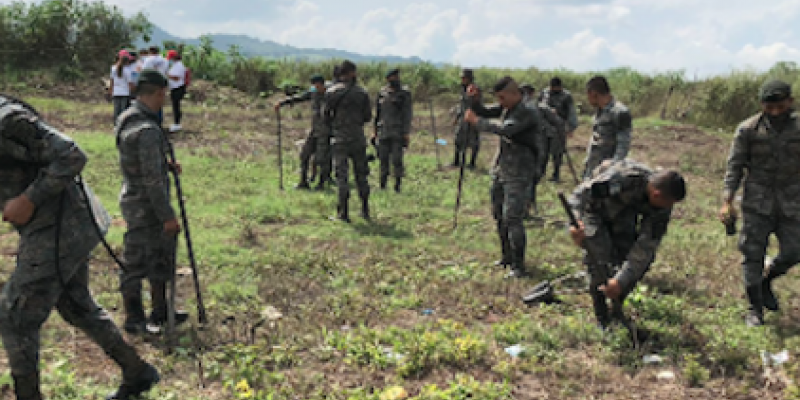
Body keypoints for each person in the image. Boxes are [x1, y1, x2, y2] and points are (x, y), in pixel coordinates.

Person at [0, 94, 159, 400]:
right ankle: (138, 373)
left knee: (15, 314)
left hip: (62, 225)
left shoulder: (7, 120)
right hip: (56, 226)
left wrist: (28, 199)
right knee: (76, 305)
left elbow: (72, 155)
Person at [568, 159, 686, 329]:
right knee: (599, 259)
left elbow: (645, 249)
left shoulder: (662, 206)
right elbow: (580, 196)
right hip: (595, 211)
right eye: (668, 203)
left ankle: (616, 309)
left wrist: (620, 281)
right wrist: (574, 225)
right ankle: (601, 316)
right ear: (656, 195)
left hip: (624, 214)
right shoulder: (623, 178)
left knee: (626, 258)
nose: (669, 208)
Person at [720, 80, 800, 327]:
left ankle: (767, 280)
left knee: (795, 251)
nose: (775, 112)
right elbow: (735, 166)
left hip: (793, 201)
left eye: (779, 106)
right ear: (762, 105)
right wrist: (727, 201)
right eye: (769, 107)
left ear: (790, 101)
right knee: (752, 253)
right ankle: (754, 308)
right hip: (757, 202)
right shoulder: (748, 130)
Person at [115, 69, 189, 335]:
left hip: (137, 200)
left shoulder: (127, 117)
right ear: (158, 93)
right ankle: (135, 318)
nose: (165, 100)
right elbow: (152, 181)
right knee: (136, 263)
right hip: (146, 207)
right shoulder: (146, 129)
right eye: (164, 95)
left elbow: (138, 161)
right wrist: (167, 215)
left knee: (160, 257)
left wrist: (164, 163)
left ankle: (161, 311)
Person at [464, 76, 547, 278]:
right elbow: (486, 110)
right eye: (498, 98)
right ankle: (506, 256)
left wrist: (478, 122)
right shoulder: (508, 107)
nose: (500, 103)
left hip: (521, 170)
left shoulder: (527, 111)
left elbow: (506, 129)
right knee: (498, 214)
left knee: (513, 217)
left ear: (515, 94)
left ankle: (519, 266)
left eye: (503, 98)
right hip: (502, 168)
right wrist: (475, 100)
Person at [323, 60, 372, 222]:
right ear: (353, 73)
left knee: (342, 177)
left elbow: (326, 117)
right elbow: (367, 117)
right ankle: (365, 210)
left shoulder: (332, 92)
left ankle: (343, 213)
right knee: (361, 175)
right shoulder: (362, 93)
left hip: (340, 138)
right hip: (358, 138)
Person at [274, 74, 331, 190]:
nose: (316, 88)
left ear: (322, 84)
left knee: (322, 159)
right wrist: (283, 103)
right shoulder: (313, 92)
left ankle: (321, 184)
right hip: (315, 130)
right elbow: (300, 97)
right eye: (314, 86)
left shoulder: (331, 94)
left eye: (317, 85)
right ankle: (303, 182)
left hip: (327, 132)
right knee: (304, 154)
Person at [583, 76, 632, 179]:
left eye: (588, 95)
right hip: (593, 167)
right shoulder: (599, 111)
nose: (588, 99)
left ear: (594, 94)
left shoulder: (620, 112)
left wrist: (613, 166)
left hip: (606, 171)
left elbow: (623, 144)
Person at [374, 68, 413, 192]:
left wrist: (406, 132)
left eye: (396, 77)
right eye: (392, 77)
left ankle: (397, 185)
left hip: (398, 132)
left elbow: (407, 114)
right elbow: (377, 114)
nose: (395, 79)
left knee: (397, 160)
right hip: (383, 131)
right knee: (383, 159)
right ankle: (383, 185)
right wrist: (375, 131)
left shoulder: (404, 93)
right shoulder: (382, 92)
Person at [539, 77, 579, 182]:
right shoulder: (544, 93)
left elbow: (571, 112)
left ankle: (556, 175)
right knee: (542, 152)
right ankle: (541, 173)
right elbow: (537, 107)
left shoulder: (566, 96)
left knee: (557, 153)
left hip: (558, 128)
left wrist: (570, 128)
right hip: (544, 127)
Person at [453, 68, 482, 169]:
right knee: (458, 140)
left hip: (472, 118)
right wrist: (457, 117)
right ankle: (456, 161)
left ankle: (472, 163)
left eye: (464, 78)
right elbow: (461, 105)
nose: (462, 80)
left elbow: (476, 104)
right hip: (462, 119)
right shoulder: (463, 89)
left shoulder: (474, 89)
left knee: (473, 141)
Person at [109, 50, 135, 123]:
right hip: (125, 93)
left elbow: (111, 81)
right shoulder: (127, 70)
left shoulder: (113, 68)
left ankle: (116, 125)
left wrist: (110, 91)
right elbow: (130, 83)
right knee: (123, 111)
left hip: (116, 92)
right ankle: (122, 124)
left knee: (116, 110)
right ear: (127, 62)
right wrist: (133, 91)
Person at [166, 50, 187, 133]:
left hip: (178, 88)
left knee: (176, 106)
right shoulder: (175, 65)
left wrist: (167, 75)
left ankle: (177, 124)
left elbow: (176, 78)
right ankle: (176, 123)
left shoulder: (179, 66)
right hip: (175, 88)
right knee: (175, 106)